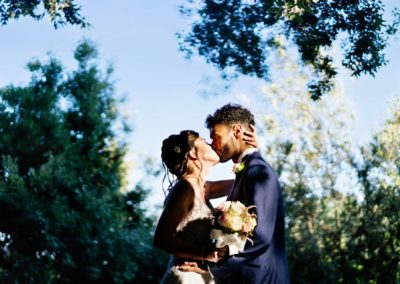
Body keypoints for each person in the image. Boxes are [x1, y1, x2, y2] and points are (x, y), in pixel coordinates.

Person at [193, 103, 290, 283]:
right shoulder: (247, 170)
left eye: (217, 137)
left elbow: (261, 236)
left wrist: (214, 269)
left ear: (237, 131)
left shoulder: (259, 171)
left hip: (260, 278)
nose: (214, 144)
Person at [153, 129, 256, 283]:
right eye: (205, 142)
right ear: (193, 153)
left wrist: (250, 150)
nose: (212, 145)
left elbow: (247, 181)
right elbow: (161, 239)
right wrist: (204, 254)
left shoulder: (204, 188)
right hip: (185, 276)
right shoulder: (184, 189)